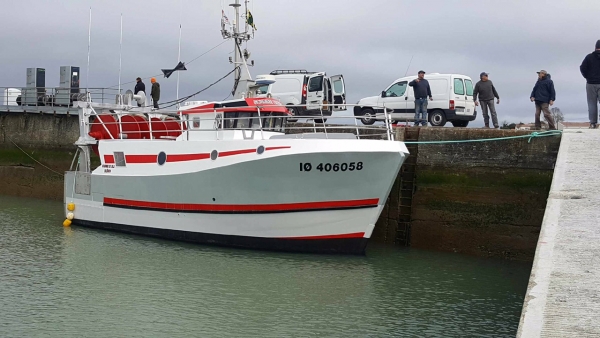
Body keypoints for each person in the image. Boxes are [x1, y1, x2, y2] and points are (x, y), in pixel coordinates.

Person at [579, 39, 600, 129]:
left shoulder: (589, 57)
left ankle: (593, 123)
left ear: (595, 47)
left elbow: (582, 68)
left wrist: (587, 77)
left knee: (592, 104)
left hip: (591, 83)